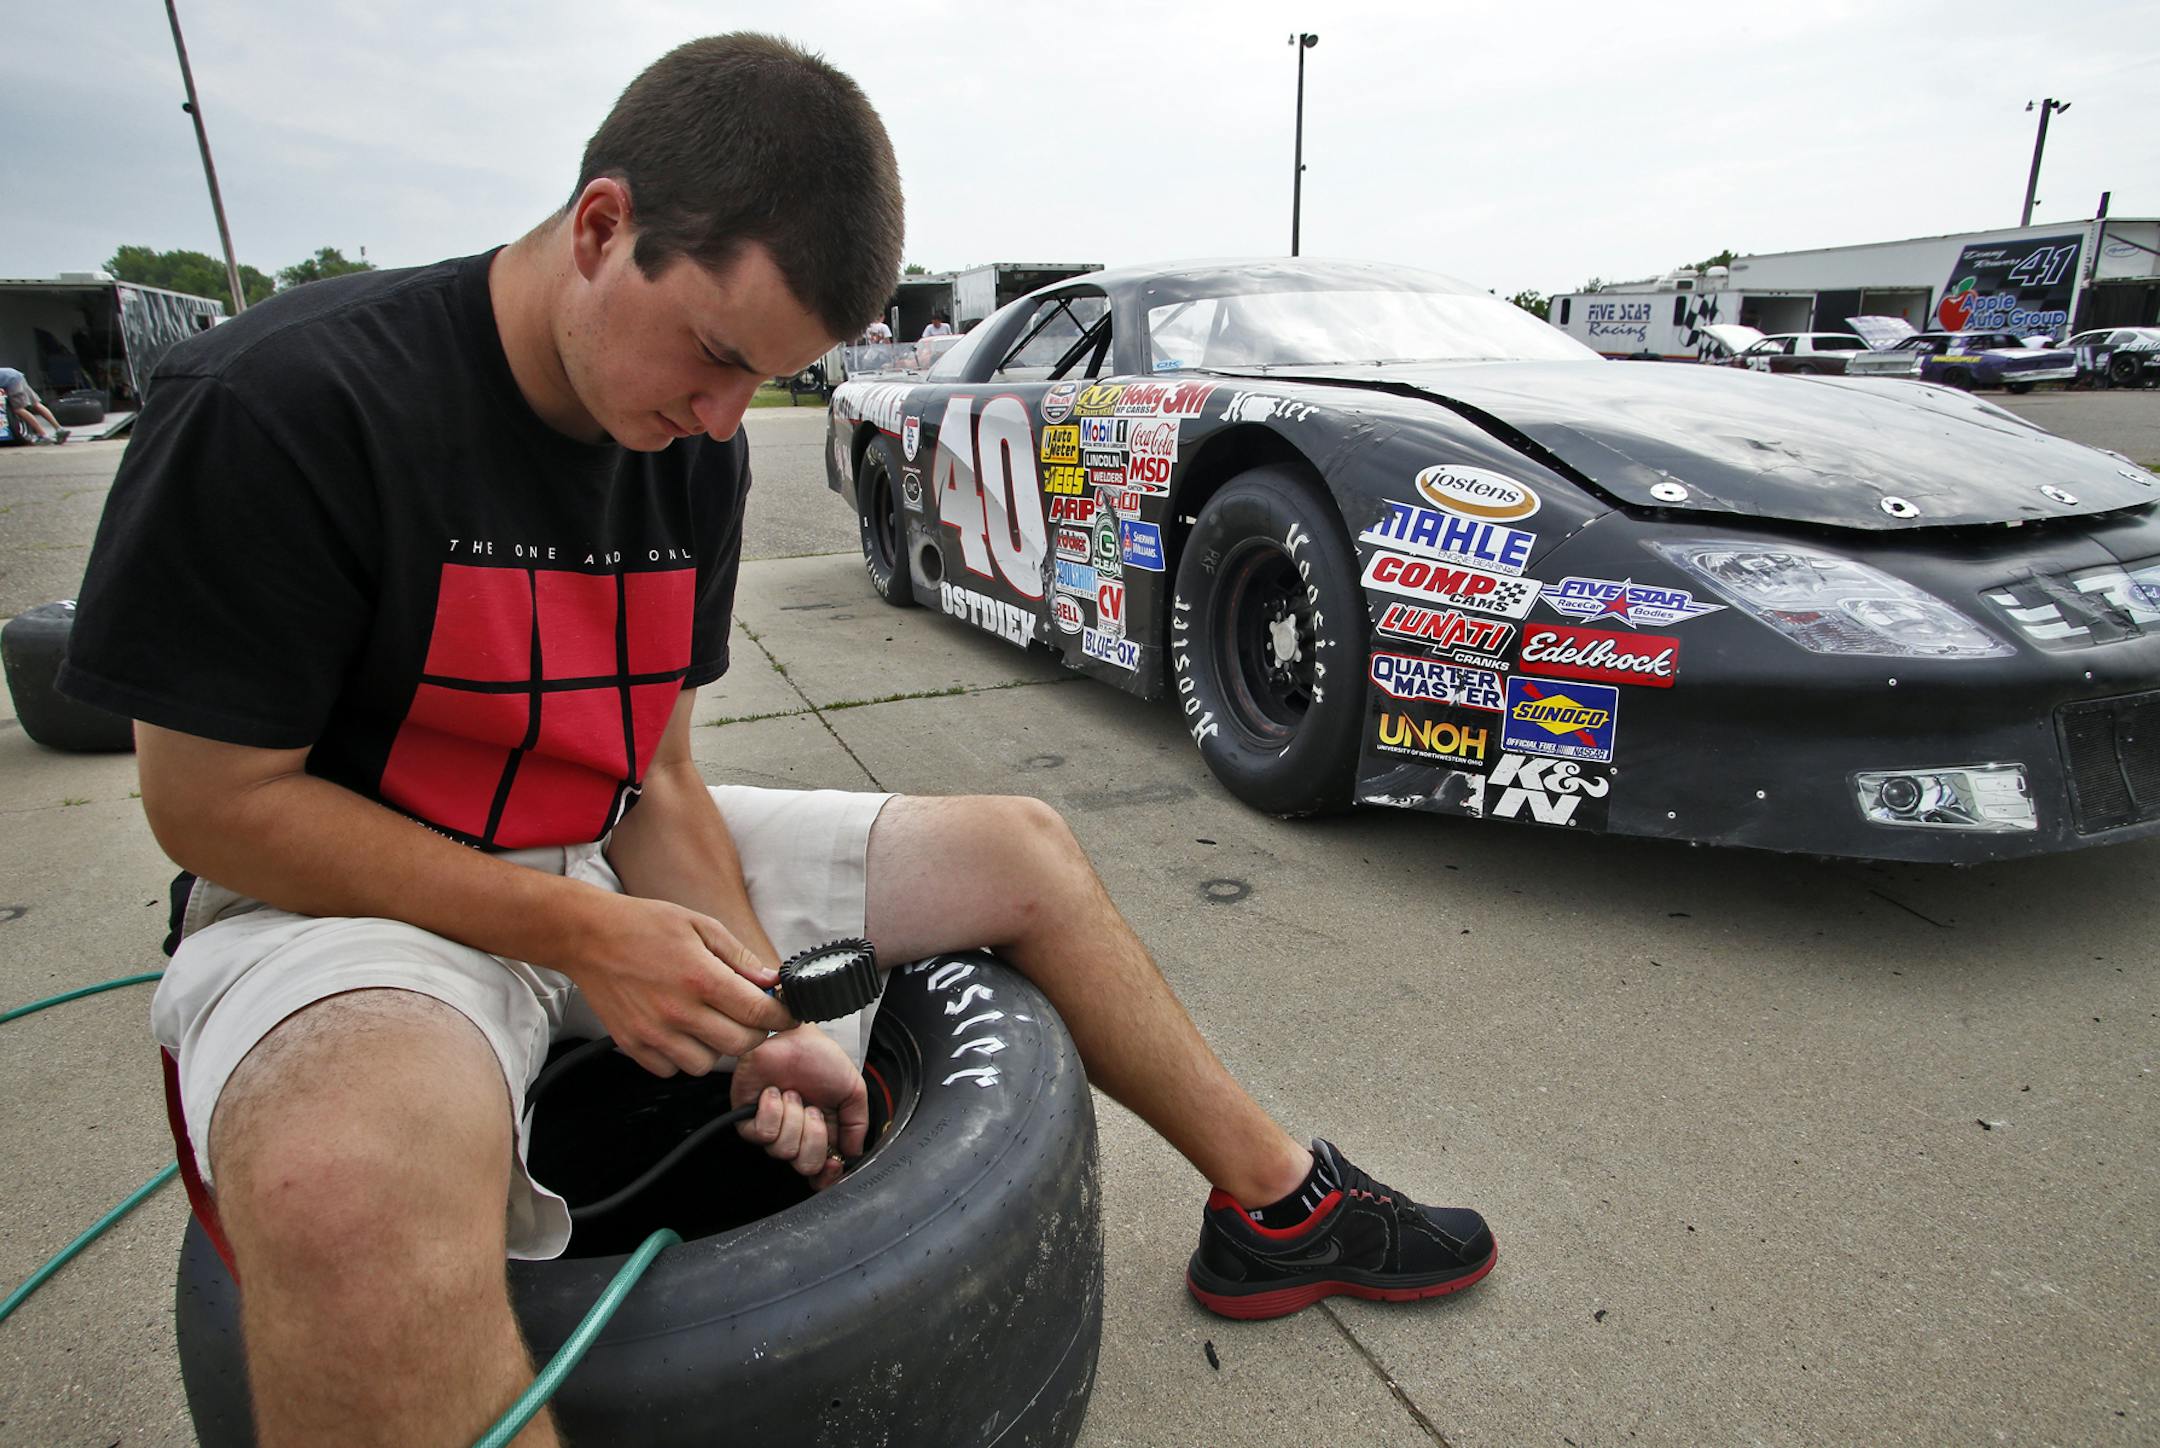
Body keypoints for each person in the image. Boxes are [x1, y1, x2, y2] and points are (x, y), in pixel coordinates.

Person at [60, 32, 1491, 1447]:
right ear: (602, 226)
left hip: (579, 851)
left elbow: (653, 780)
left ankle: (1281, 1204)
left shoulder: (692, 447)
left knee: (1023, 851)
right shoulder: (282, 403)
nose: (723, 418)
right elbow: (211, 808)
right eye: (718, 355)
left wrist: (779, 1026)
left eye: (772, 383)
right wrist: (576, 932)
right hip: (344, 897)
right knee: (343, 1199)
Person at [0, 366, 68, 443]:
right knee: (35, 404)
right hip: (17, 375)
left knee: (18, 409)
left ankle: (43, 435)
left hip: (11, 381)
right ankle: (59, 428)